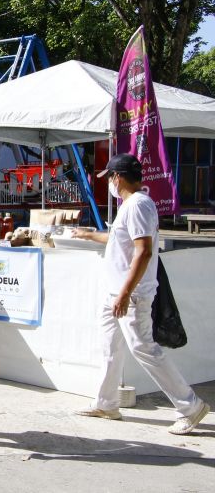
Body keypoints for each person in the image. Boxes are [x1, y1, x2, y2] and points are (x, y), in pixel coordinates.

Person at [73, 154, 209, 435]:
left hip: (131, 296)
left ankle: (190, 406)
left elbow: (144, 251)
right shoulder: (131, 205)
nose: (109, 182)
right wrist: (88, 235)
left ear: (118, 177)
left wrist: (124, 293)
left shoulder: (137, 205)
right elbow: (120, 240)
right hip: (119, 293)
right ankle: (106, 403)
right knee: (110, 347)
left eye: (109, 176)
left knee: (144, 349)